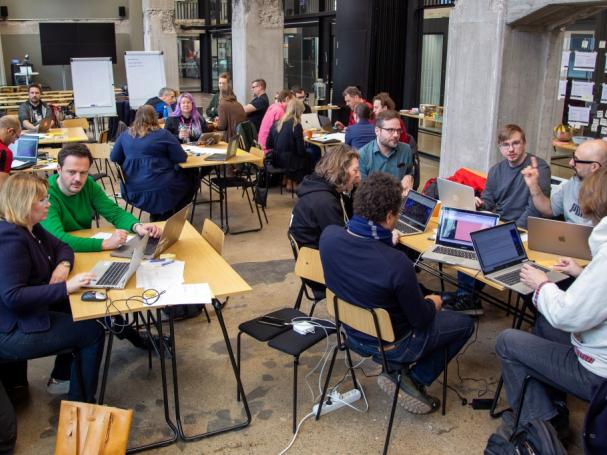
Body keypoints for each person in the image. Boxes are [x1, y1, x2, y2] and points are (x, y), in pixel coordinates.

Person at [319, 172, 474, 414]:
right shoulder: (397, 264)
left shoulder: (328, 237)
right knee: (464, 324)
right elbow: (421, 320)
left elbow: (363, 257)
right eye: (398, 214)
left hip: (351, 333)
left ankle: (394, 369)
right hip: (395, 344)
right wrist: (433, 301)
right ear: (390, 216)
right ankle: (414, 378)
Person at [495, 167, 607, 442]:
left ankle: (541, 427)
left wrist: (542, 284)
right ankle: (555, 411)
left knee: (508, 342)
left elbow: (566, 315)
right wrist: (582, 274)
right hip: (597, 348)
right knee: (544, 324)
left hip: (597, 373)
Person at [0, 174, 104, 403]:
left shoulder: (31, 227)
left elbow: (63, 246)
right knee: (92, 332)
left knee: (84, 309)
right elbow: (13, 296)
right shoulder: (10, 239)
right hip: (12, 330)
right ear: (24, 203)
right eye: (42, 200)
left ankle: (64, 377)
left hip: (25, 313)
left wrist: (63, 266)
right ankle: (81, 406)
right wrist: (66, 287)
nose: (48, 203)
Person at [41, 143, 161, 252]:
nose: (78, 179)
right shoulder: (44, 195)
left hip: (81, 247)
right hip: (58, 253)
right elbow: (57, 238)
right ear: (59, 170)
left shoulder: (88, 185)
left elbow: (114, 212)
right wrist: (104, 243)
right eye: (71, 172)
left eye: (83, 173)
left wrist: (137, 226)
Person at [111, 105, 198, 221]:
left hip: (132, 189)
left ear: (136, 118)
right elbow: (181, 157)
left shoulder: (125, 135)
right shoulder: (163, 134)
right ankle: (168, 215)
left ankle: (159, 214)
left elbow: (114, 157)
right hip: (161, 188)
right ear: (155, 117)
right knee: (192, 180)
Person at [476, 124, 551, 228]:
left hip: (524, 228)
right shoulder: (495, 170)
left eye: (515, 143)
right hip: (499, 223)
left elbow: (535, 211)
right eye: (506, 145)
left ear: (524, 143)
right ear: (500, 147)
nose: (511, 149)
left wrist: (513, 230)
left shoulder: (539, 168)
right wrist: (478, 204)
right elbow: (488, 202)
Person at [289, 144, 360, 249]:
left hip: (320, 247)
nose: (359, 175)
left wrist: (353, 187)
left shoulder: (327, 187)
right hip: (314, 257)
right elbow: (341, 243)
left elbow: (350, 216)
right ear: (341, 171)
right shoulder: (325, 201)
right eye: (355, 170)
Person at [522, 139, 607, 226]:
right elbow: (549, 209)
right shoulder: (574, 181)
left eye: (576, 160)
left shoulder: (603, 195)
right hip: (566, 237)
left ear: (594, 167)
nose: (570, 163)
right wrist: (533, 186)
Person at [357, 110, 415, 194]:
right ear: (377, 131)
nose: (396, 135)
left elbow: (410, 171)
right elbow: (363, 192)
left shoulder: (406, 149)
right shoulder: (363, 155)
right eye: (390, 130)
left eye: (398, 130)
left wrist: (409, 177)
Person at [266, 99, 310, 190]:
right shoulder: (296, 125)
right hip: (289, 162)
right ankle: (293, 182)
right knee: (309, 156)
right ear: (298, 112)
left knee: (290, 153)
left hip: (276, 159)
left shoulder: (277, 123)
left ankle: (286, 179)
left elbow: (268, 144)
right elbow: (300, 151)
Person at [258, 89, 292, 154]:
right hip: (268, 150)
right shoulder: (280, 111)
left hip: (262, 146)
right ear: (287, 99)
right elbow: (282, 135)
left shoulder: (273, 106)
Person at [0, 115, 20, 187]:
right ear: (10, 131)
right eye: (16, 137)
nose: (14, 142)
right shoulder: (5, 152)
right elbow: (2, 187)